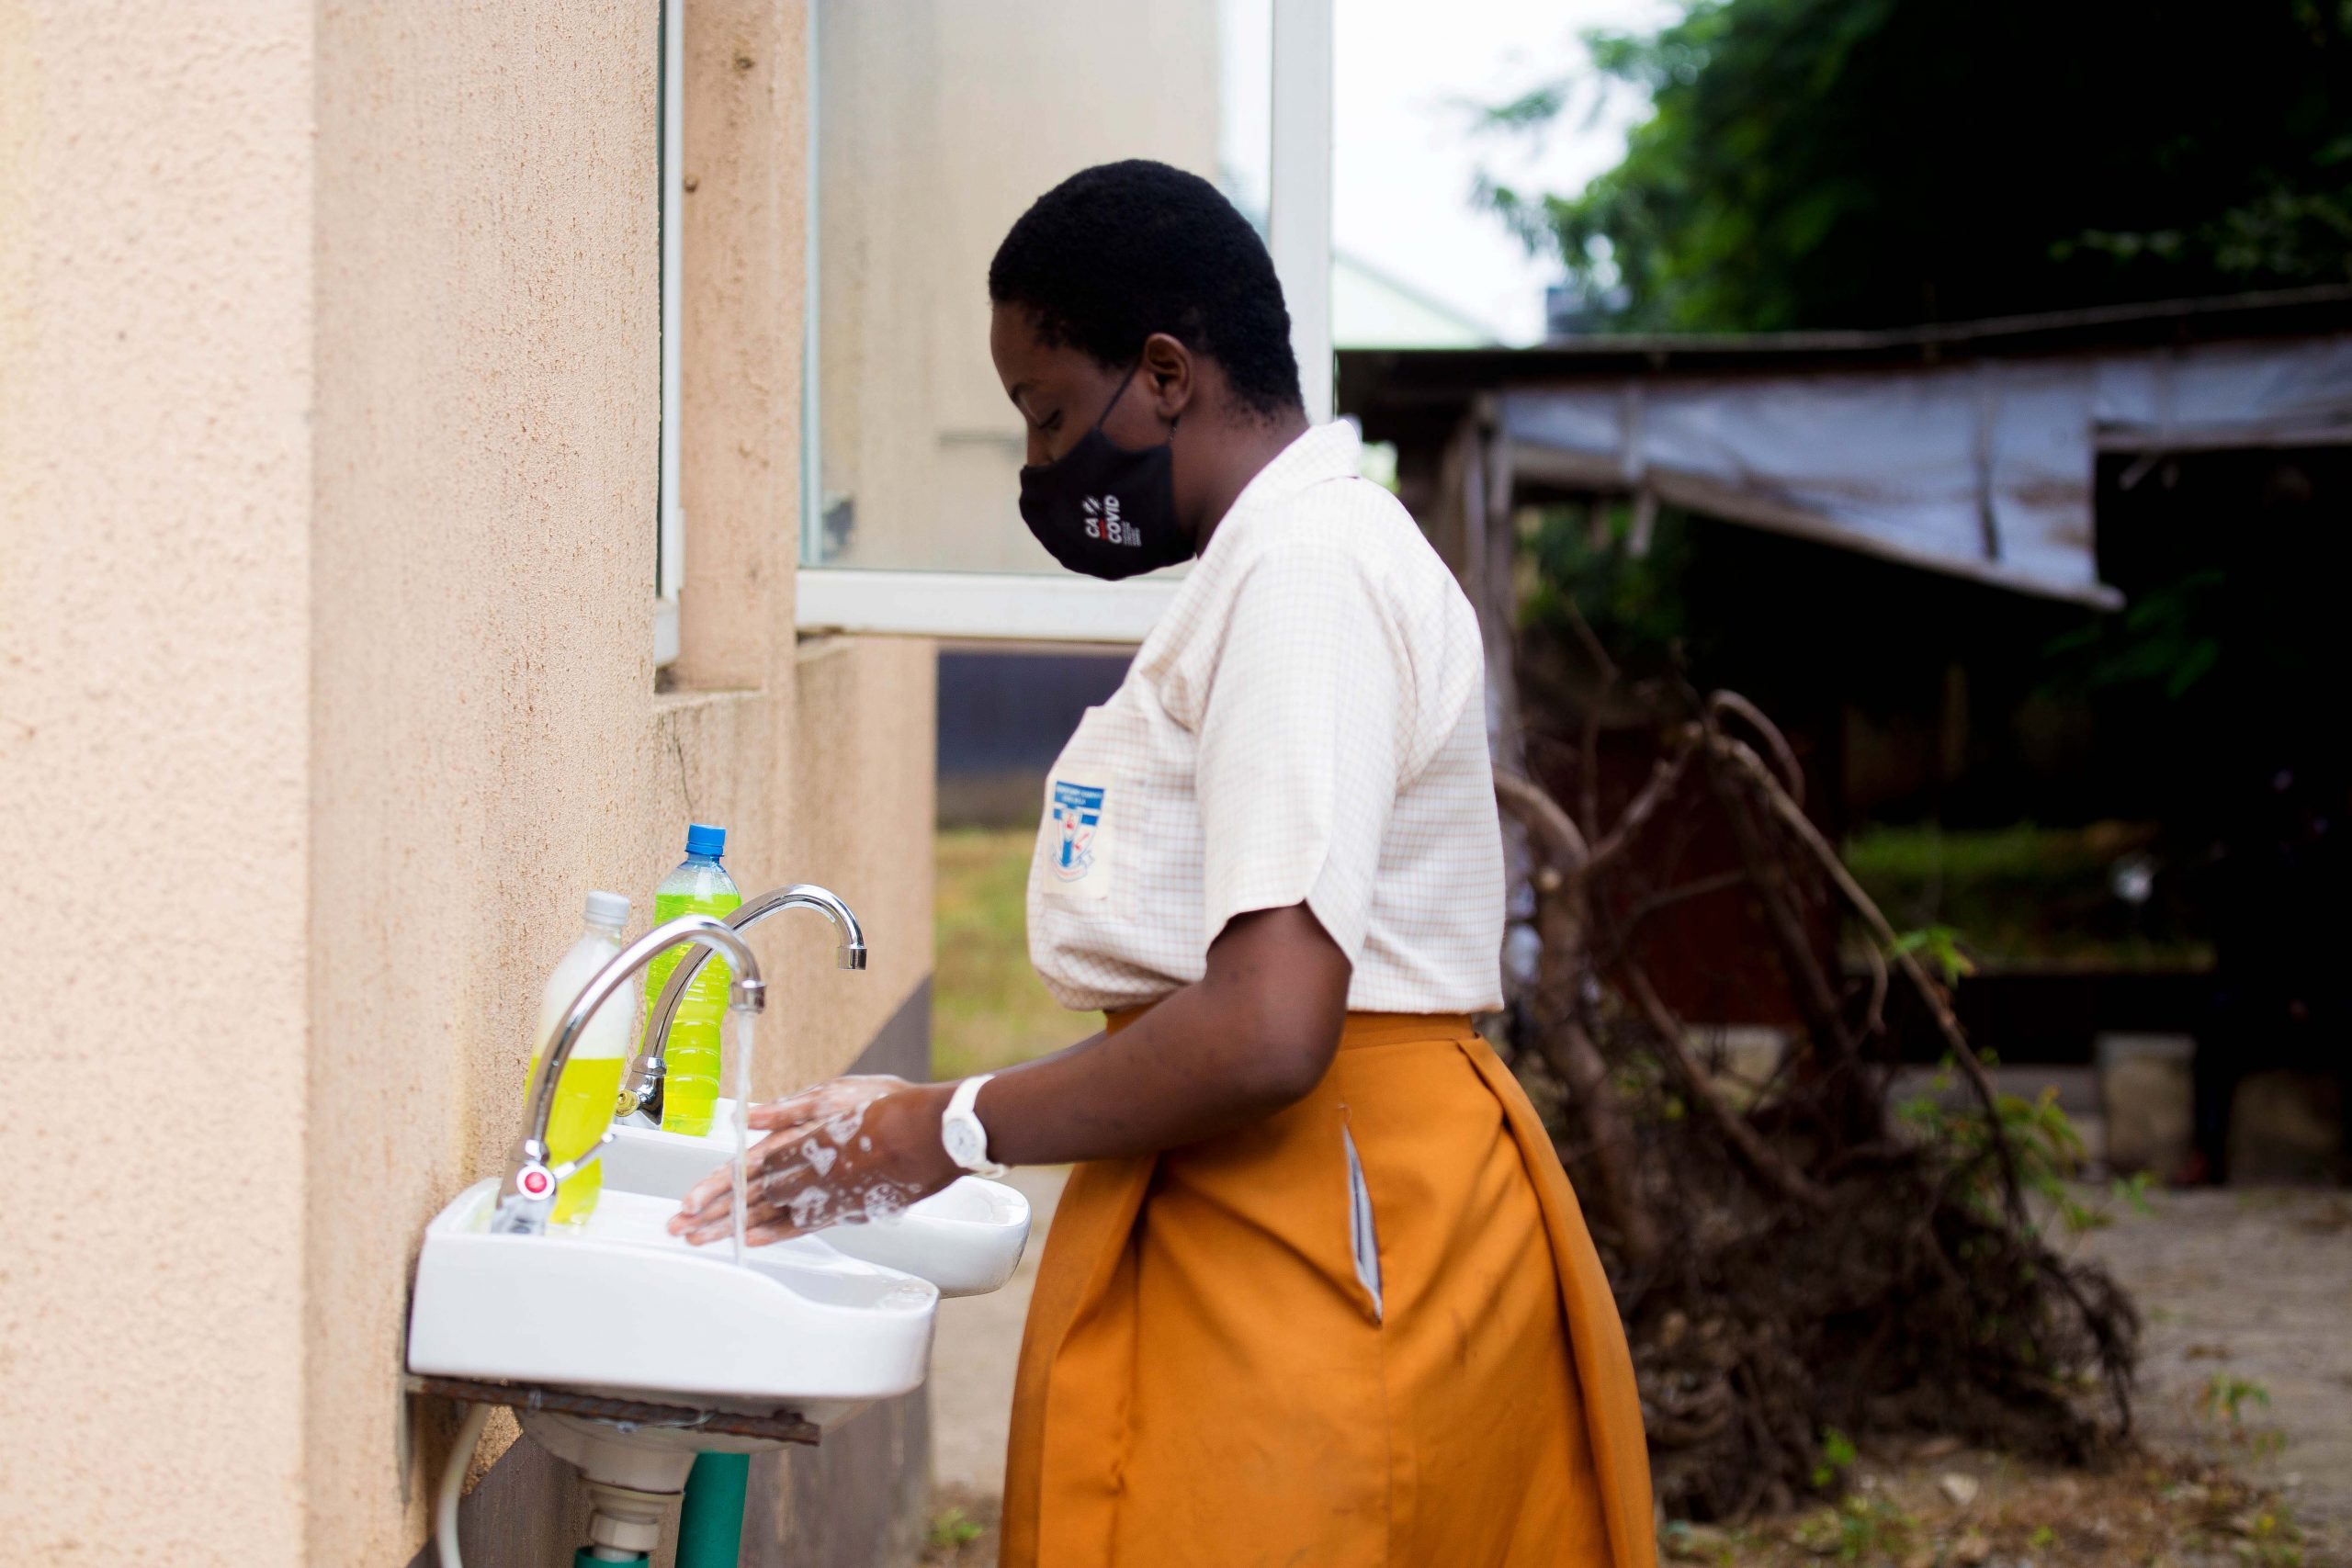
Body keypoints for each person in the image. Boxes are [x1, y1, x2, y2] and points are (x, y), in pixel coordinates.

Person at [672, 159, 1656, 1567]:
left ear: (1168, 372)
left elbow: (1267, 1026)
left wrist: (938, 1130)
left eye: (1052, 414)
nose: (1039, 471)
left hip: (1325, 1214)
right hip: (1264, 1192)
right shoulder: (1271, 566)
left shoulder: (1308, 576)